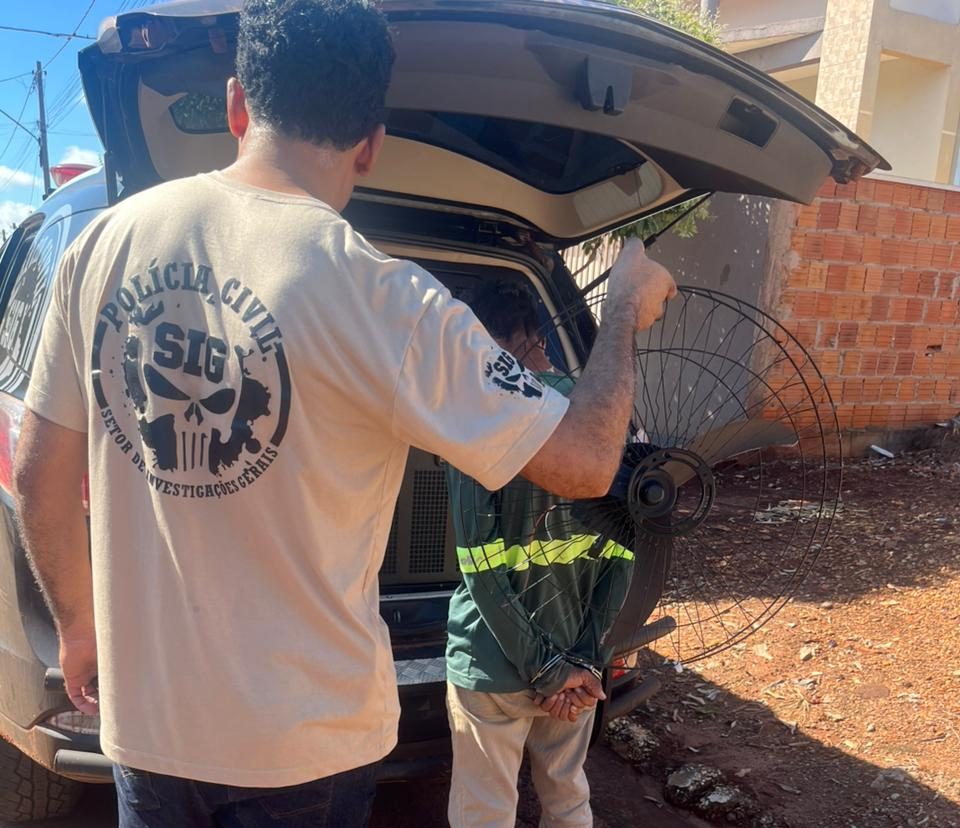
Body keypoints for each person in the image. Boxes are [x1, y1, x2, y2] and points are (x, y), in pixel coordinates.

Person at [12, 0, 676, 825]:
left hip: (150, 730)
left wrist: (79, 629)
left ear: (236, 106)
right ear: (371, 145)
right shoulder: (386, 299)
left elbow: (39, 477)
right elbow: (585, 463)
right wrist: (623, 309)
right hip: (311, 746)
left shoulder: (101, 247)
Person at [445, 281, 636, 828]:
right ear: (538, 333)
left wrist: (545, 667)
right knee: (568, 798)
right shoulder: (601, 415)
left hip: (492, 665)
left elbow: (480, 566)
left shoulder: (479, 418)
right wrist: (583, 659)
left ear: (488, 339)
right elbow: (626, 552)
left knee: (484, 812)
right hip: (577, 663)